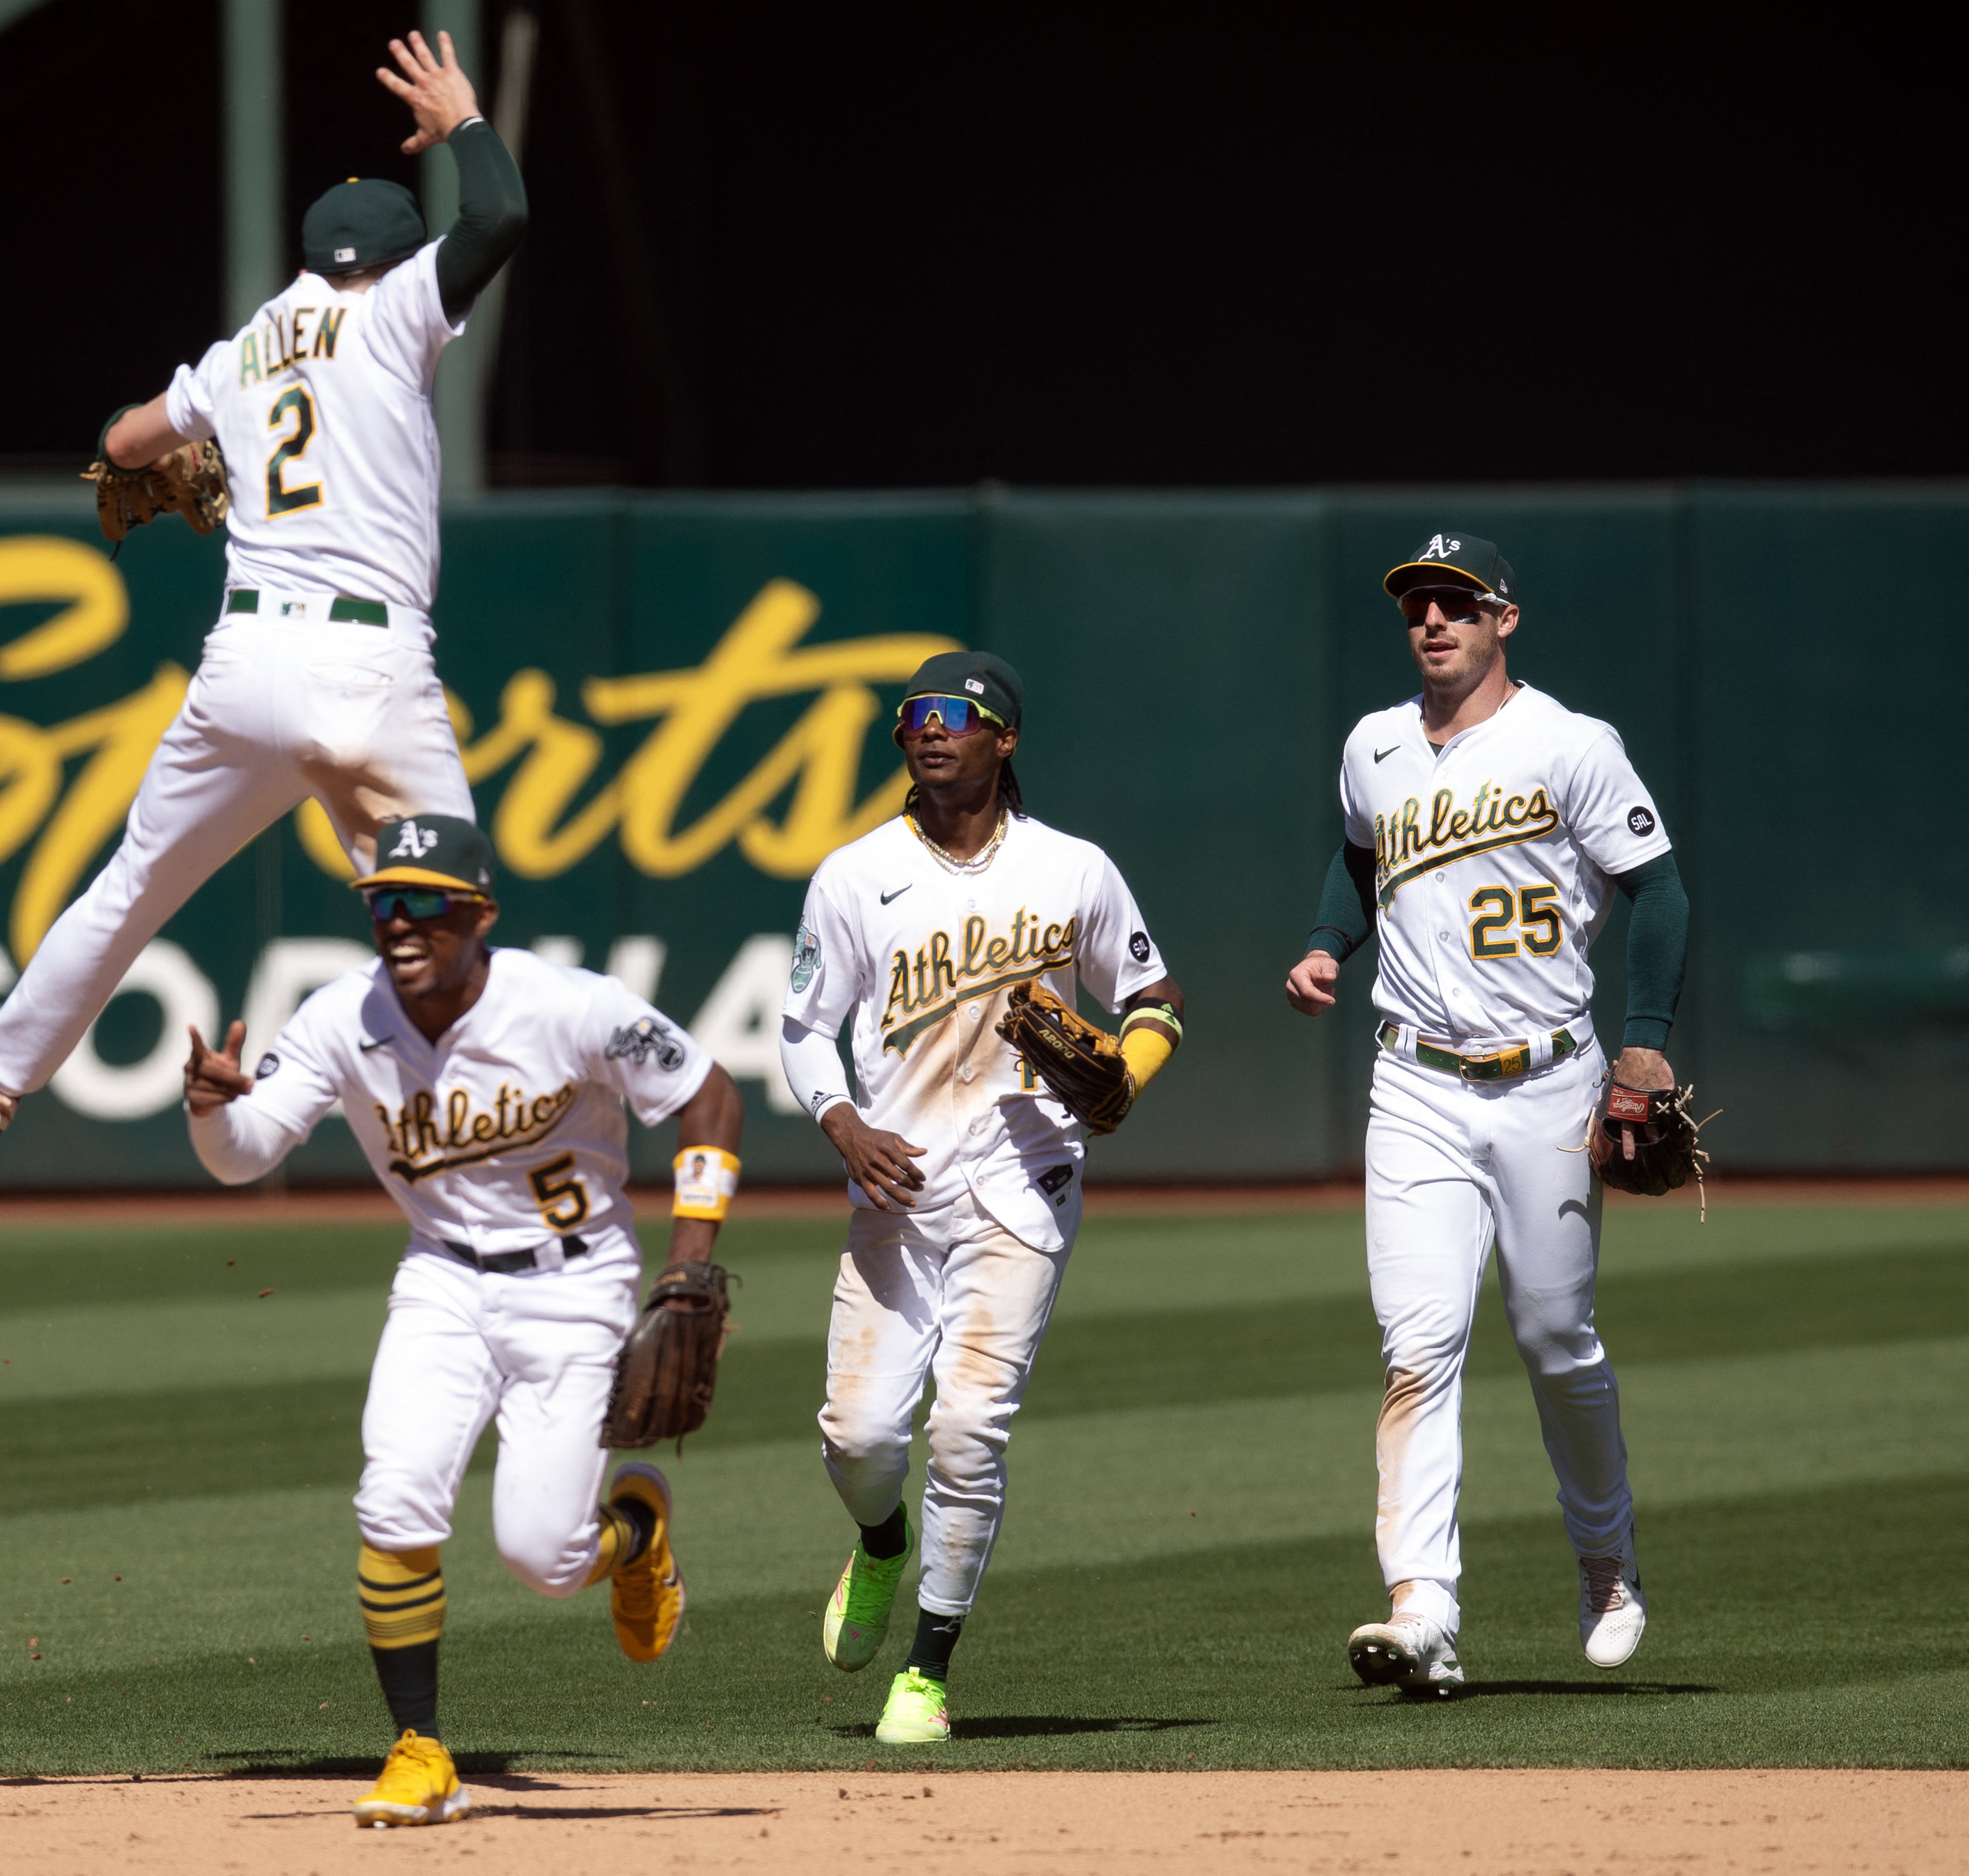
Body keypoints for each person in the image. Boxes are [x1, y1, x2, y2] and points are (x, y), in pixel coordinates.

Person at [0, 30, 527, 1158]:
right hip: (375, 668)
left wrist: (181, 446)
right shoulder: (397, 311)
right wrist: (460, 123)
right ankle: (487, 1129)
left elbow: (121, 440)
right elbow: (498, 218)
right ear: (400, 262)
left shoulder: (243, 350)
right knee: (451, 909)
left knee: (133, 887)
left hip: (247, 668)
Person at [183, 813, 745, 1827]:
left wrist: (689, 1261)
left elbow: (710, 1096)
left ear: (478, 914)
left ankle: (638, 1530)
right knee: (394, 1496)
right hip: (441, 1279)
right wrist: (214, 1112)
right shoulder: (338, 1018)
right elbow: (246, 1152)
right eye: (382, 902)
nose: (399, 923)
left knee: (543, 1556)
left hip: (577, 1286)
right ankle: (419, 1750)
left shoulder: (568, 1006)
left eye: (425, 902)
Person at [1282, 531, 1688, 1696]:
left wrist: (1647, 1041)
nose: (1434, 620)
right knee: (1419, 1347)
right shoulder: (1375, 745)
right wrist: (1325, 943)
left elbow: (1658, 887)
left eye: (1458, 602)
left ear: (1504, 618)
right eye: (1418, 602)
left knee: (1558, 1342)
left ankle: (1606, 1556)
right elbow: (1360, 859)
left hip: (1552, 1079)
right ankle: (1424, 1605)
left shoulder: (1568, 744)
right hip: (1412, 1079)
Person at [778, 651, 1184, 1745]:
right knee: (859, 1438)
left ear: (1005, 740)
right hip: (899, 1188)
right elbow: (805, 1031)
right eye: (914, 714)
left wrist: (1128, 1076)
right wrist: (841, 1122)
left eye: (956, 715)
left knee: (967, 1427)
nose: (929, 729)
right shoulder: (855, 874)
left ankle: (928, 1669)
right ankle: (877, 1545)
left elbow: (1152, 991)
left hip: (1026, 1179)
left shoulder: (1072, 869)